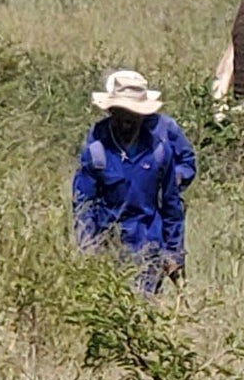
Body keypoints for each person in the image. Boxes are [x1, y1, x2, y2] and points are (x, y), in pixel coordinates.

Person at [72, 69, 187, 293]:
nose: (127, 121)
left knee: (143, 311)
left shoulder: (159, 151)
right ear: (111, 111)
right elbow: (83, 205)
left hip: (149, 248)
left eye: (133, 114)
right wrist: (87, 249)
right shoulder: (96, 151)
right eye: (121, 113)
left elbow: (172, 206)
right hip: (109, 249)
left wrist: (174, 253)